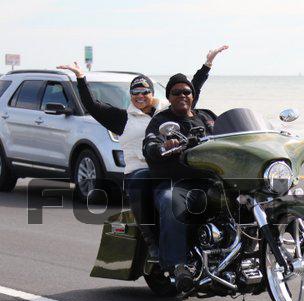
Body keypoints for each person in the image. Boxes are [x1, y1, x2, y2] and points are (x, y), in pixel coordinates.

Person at [57, 45, 228, 261]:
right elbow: (91, 105)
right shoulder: (122, 118)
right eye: (135, 93)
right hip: (140, 169)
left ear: (152, 93)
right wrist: (81, 78)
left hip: (168, 166)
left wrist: (207, 64)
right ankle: (152, 240)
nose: (140, 96)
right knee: (141, 182)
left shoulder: (165, 111)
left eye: (145, 91)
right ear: (130, 96)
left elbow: (189, 91)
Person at [142, 72, 215, 291]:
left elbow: (232, 132)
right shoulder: (161, 121)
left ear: (193, 95)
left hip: (211, 180)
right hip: (176, 183)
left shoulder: (207, 116)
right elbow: (150, 144)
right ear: (169, 97)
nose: (182, 95)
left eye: (186, 91)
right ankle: (178, 265)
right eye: (176, 92)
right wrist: (162, 146)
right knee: (171, 202)